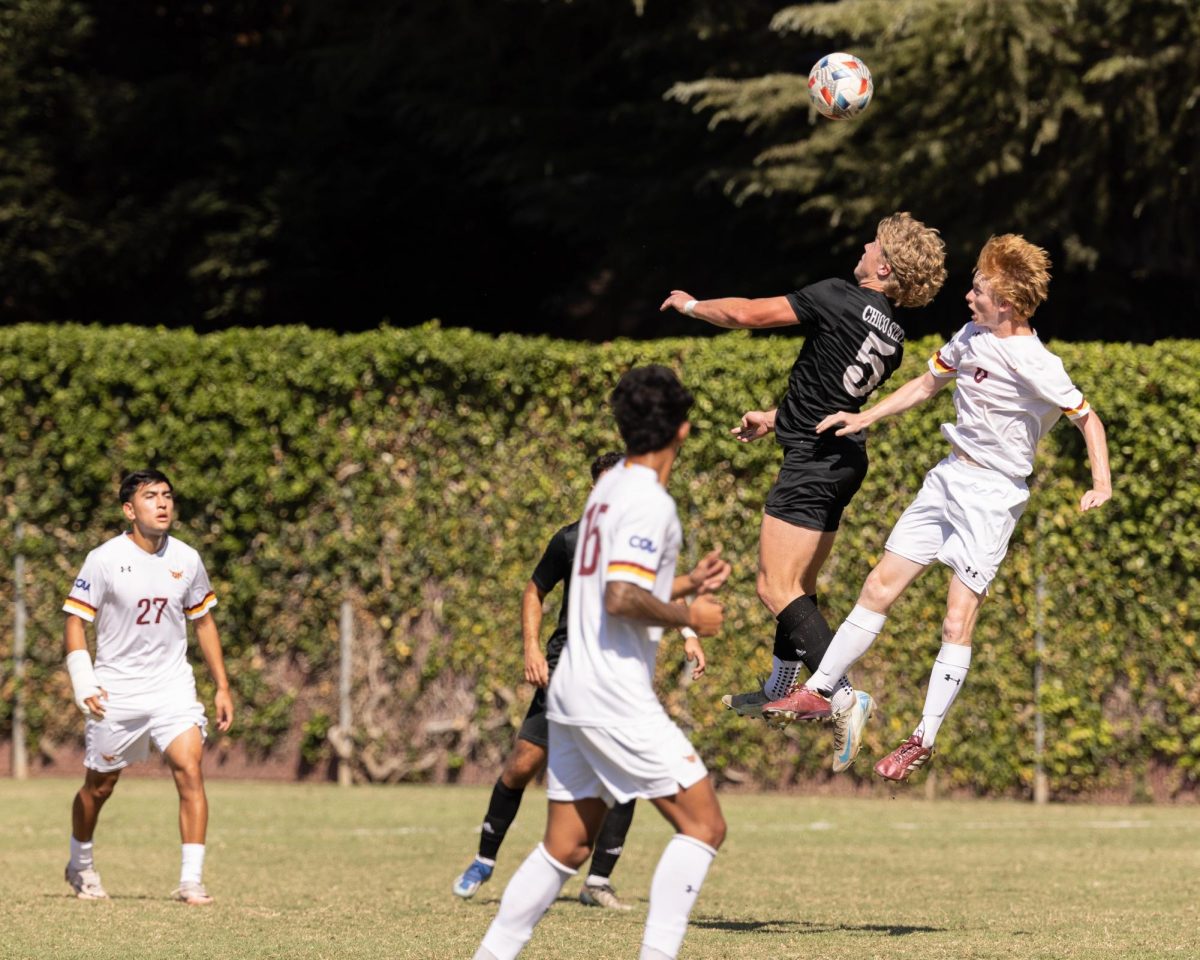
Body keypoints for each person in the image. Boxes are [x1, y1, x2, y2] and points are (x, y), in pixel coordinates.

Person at [760, 234, 1112, 781]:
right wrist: (865, 417)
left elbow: (1087, 419)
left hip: (993, 497)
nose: (968, 297)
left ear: (1009, 304)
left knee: (955, 622)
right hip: (946, 479)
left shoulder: (1038, 362)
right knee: (878, 586)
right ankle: (820, 690)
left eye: (979, 291)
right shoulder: (970, 335)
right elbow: (927, 383)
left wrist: (1101, 482)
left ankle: (922, 737)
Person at [660, 211, 947, 771]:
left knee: (773, 587)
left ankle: (842, 697)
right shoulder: (895, 334)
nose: (863, 246)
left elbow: (746, 314)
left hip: (814, 462)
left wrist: (693, 306)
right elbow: (830, 388)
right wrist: (777, 418)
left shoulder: (838, 295)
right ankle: (780, 683)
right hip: (840, 458)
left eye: (873, 244)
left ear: (883, 267)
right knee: (798, 591)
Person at [473, 365, 726, 960]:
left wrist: (684, 580)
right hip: (612, 692)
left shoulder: (604, 493)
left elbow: (612, 582)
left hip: (571, 689)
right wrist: (690, 613)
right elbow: (619, 597)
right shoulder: (649, 501)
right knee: (705, 826)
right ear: (683, 431)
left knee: (565, 847)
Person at [62, 469, 234, 903]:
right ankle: (80, 863)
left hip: (172, 689)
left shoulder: (187, 559)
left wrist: (222, 685)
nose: (162, 504)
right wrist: (84, 680)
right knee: (98, 788)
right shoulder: (103, 559)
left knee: (190, 768)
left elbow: (205, 623)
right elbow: (75, 622)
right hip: (116, 693)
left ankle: (191, 880)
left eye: (167, 496)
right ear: (129, 509)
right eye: (150, 497)